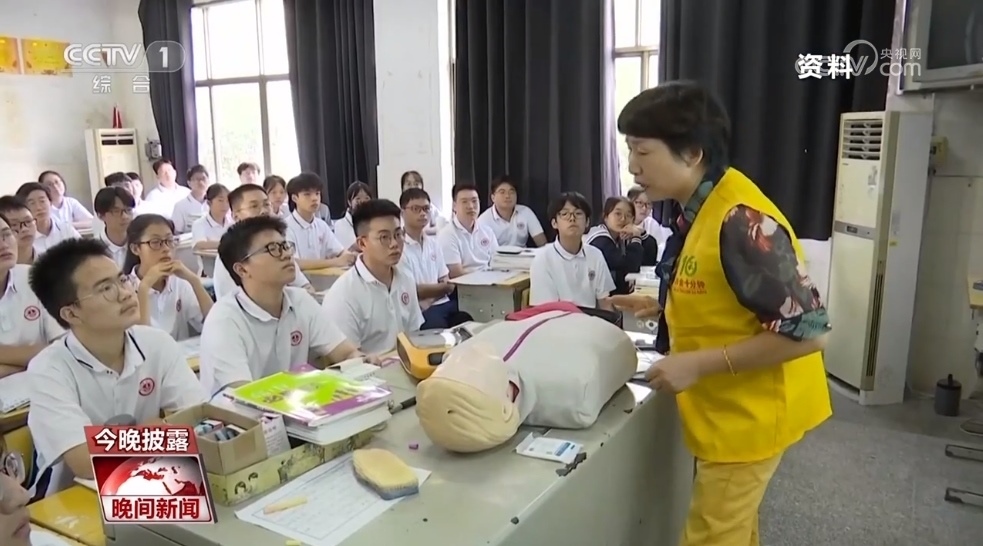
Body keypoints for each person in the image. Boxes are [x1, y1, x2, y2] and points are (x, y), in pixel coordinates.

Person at [609, 81, 831, 546]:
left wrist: (696, 364)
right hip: (726, 413)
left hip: (751, 418)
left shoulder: (741, 219)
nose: (632, 166)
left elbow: (810, 331)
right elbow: (726, 292)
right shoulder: (699, 208)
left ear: (692, 153)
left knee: (711, 537)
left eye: (642, 151)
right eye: (629, 150)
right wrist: (661, 306)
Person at [26, 238, 206, 491]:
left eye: (122, 280)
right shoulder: (48, 369)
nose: (125, 293)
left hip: (156, 480)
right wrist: (156, 431)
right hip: (78, 497)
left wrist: (129, 438)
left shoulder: (156, 343)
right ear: (71, 313)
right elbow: (84, 460)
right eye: (106, 289)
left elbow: (200, 418)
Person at [198, 216, 367, 396]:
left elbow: (347, 353)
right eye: (272, 249)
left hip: (297, 405)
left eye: (285, 246)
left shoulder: (300, 300)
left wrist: (360, 362)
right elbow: (242, 396)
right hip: (243, 412)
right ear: (242, 269)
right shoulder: (224, 320)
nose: (286, 255)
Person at [321, 199, 424, 354]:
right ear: (362, 244)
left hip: (407, 361)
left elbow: (414, 335)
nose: (394, 243)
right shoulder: (343, 295)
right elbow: (349, 359)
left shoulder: (406, 278)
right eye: (384, 237)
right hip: (367, 367)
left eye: (398, 234)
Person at [212, 184, 314, 299]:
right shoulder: (230, 254)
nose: (264, 211)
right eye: (254, 206)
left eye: (266, 204)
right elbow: (231, 300)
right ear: (236, 216)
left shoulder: (280, 244)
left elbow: (304, 286)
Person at [124, 215, 212, 340]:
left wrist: (194, 280)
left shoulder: (179, 283)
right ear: (135, 249)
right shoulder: (125, 289)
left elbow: (213, 325)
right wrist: (144, 287)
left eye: (170, 241)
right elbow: (141, 342)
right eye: (155, 242)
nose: (166, 248)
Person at [0, 215, 63, 379]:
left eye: (6, 234)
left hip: (45, 384)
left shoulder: (35, 278)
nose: (3, 245)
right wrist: (28, 362)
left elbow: (63, 349)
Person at [528, 192, 614, 309]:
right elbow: (546, 310)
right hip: (556, 318)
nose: (572, 218)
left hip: (590, 319)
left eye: (578, 213)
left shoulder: (595, 255)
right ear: (554, 223)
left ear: (587, 222)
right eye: (564, 214)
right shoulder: (542, 259)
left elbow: (605, 303)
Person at [398, 188, 469, 328]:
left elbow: (449, 285)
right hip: (418, 310)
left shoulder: (433, 243)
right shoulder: (399, 247)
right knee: (438, 327)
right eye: (416, 209)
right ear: (402, 212)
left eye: (426, 209)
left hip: (441, 304)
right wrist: (441, 288)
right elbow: (413, 290)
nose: (422, 213)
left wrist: (430, 298)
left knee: (468, 319)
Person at [283, 173, 354, 270]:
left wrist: (349, 257)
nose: (314, 198)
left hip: (323, 277)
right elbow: (294, 262)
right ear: (295, 198)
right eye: (307, 194)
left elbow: (340, 251)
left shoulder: (321, 225)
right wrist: (335, 262)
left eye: (317, 193)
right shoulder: (286, 227)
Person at [584, 196, 644, 296]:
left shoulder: (620, 237)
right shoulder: (599, 239)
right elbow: (629, 265)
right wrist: (636, 237)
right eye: (618, 214)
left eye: (628, 215)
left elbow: (647, 258)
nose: (623, 219)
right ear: (606, 217)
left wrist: (639, 233)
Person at [437, 183, 498, 277]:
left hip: (491, 280)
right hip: (464, 284)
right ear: (454, 206)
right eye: (464, 202)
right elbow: (455, 273)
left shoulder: (487, 231)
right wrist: (485, 276)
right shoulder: (447, 235)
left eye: (474, 201)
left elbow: (498, 261)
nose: (470, 206)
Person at [477, 175, 546, 247]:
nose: (507, 196)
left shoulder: (526, 212)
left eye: (511, 192)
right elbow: (482, 250)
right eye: (502, 192)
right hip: (496, 254)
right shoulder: (483, 220)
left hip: (523, 253)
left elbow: (542, 243)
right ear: (493, 197)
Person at [15, 182, 80, 255]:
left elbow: (84, 253)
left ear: (50, 202)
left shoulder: (66, 229)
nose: (39, 207)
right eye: (32, 203)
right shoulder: (22, 237)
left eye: (42, 201)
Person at [92, 186, 136, 269]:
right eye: (116, 211)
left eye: (129, 210)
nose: (125, 216)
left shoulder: (141, 244)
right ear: (100, 216)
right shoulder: (92, 250)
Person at [627, 185, 667, 264]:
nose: (644, 208)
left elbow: (659, 249)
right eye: (640, 203)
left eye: (648, 204)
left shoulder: (652, 224)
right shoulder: (620, 222)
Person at [191, 184, 232, 252]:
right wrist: (226, 244)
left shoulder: (232, 222)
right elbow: (200, 244)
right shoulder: (199, 224)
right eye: (220, 200)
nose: (225, 205)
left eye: (228, 201)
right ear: (209, 202)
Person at [332, 181, 373, 249]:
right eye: (358, 199)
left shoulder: (375, 222)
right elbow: (341, 251)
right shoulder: (340, 225)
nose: (363, 202)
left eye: (366, 198)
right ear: (349, 202)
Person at [171, 164, 210, 234]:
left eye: (203, 178)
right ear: (189, 183)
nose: (201, 182)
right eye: (197, 179)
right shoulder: (180, 206)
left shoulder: (214, 202)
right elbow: (177, 233)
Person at [0, 198, 38, 266]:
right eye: (14, 224)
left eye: (28, 221)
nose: (24, 229)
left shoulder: (50, 259)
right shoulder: (4, 268)